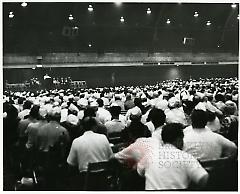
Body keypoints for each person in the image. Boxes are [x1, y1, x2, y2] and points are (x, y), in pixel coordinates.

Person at [137, 123, 209, 190]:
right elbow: (204, 179)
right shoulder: (185, 157)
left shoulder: (150, 155)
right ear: (179, 140)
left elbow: (140, 172)